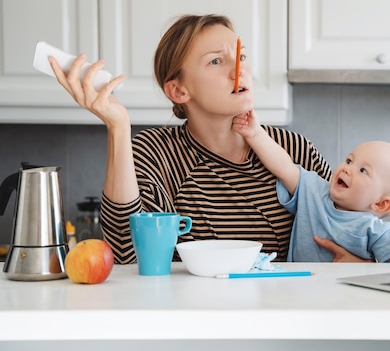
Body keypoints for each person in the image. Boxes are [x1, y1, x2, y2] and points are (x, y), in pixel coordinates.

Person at [49, 14, 366, 264]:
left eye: (241, 56)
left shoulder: (293, 149)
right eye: (217, 61)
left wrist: (360, 261)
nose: (238, 71)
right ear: (179, 91)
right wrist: (118, 127)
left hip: (286, 324)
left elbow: (353, 232)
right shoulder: (153, 153)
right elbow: (129, 257)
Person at [233, 109, 390, 267]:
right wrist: (256, 134)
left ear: (381, 204)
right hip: (296, 289)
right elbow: (284, 167)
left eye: (363, 170)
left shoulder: (372, 229)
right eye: (349, 160)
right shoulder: (313, 190)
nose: (347, 168)